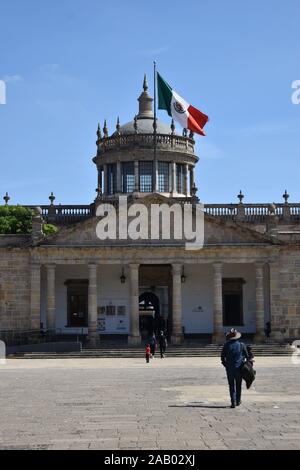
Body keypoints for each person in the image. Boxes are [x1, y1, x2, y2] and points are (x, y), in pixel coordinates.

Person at [221, 328, 249, 408]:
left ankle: (233, 402)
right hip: (239, 368)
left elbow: (222, 358)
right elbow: (247, 356)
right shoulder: (241, 345)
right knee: (238, 385)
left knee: (231, 385)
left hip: (229, 368)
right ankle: (238, 400)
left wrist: (226, 365)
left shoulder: (226, 345)